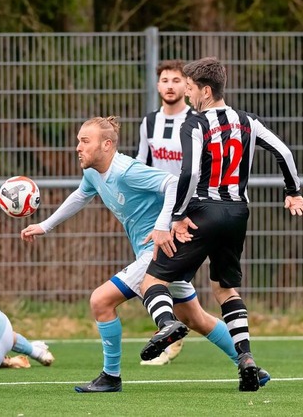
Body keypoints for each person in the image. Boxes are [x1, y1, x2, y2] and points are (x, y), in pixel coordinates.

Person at [21, 116, 270, 393]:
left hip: (157, 251)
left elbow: (174, 184)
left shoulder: (127, 170)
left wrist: (163, 226)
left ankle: (112, 375)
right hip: (159, 251)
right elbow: (81, 195)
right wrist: (45, 225)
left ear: (106, 145)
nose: (78, 147)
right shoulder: (93, 172)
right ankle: (249, 366)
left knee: (101, 301)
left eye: (85, 141)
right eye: (79, 140)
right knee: (195, 318)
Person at [138, 57, 303, 392]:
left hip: (204, 210)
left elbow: (188, 174)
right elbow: (284, 152)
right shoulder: (248, 121)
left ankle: (167, 323)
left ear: (204, 90)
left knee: (153, 280)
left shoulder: (196, 124)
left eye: (189, 89)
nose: (186, 96)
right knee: (224, 289)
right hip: (238, 214)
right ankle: (245, 357)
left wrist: (176, 216)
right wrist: (293, 192)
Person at [135, 59, 195, 365]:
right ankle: (174, 332)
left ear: (187, 85)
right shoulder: (149, 123)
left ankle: (173, 331)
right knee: (168, 272)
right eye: (165, 80)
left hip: (188, 212)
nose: (170, 85)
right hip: (158, 215)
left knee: (164, 272)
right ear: (158, 85)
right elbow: (141, 168)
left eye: (176, 80)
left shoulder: (196, 121)